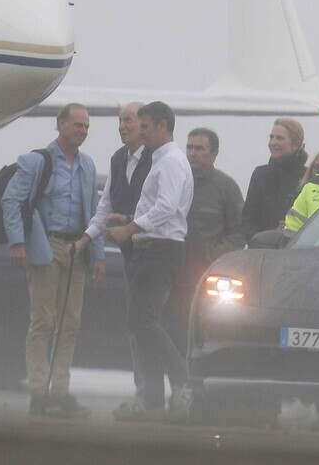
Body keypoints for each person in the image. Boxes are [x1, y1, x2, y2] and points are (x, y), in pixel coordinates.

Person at [85, 101, 194, 422]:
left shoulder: (171, 161)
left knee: (143, 321)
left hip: (160, 248)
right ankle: (153, 400)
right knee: (142, 323)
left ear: (162, 126)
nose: (139, 132)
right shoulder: (158, 159)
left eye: (144, 126)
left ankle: (181, 380)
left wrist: (129, 228)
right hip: (150, 247)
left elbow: (167, 208)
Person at [1, 103, 106, 417]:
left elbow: (95, 211)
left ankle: (60, 392)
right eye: (77, 125)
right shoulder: (37, 161)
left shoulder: (87, 165)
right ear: (61, 125)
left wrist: (97, 255)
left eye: (86, 127)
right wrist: (18, 242)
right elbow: (11, 199)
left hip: (78, 247)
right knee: (43, 321)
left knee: (69, 324)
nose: (82, 132)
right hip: (46, 244)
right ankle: (39, 390)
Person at [77, 102, 152, 417]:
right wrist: (85, 239)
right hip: (131, 256)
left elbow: (167, 209)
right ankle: (145, 396)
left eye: (129, 120)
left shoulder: (160, 158)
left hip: (158, 255)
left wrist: (130, 220)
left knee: (157, 325)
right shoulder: (118, 159)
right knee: (137, 326)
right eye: (120, 120)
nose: (122, 126)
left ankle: (172, 394)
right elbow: (104, 207)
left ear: (144, 124)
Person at [164, 127, 246, 357]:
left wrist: (211, 257)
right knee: (171, 335)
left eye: (199, 148)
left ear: (214, 153)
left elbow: (239, 234)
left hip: (205, 282)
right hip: (171, 277)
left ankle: (194, 387)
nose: (192, 153)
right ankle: (176, 387)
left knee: (200, 338)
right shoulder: (174, 181)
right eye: (189, 147)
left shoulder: (226, 188)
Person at [241, 118, 308, 244]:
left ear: (295, 144)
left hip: (295, 250)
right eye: (271, 137)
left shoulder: (307, 177)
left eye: (279, 138)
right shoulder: (259, 175)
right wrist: (256, 242)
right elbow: (248, 218)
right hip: (261, 250)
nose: (273, 142)